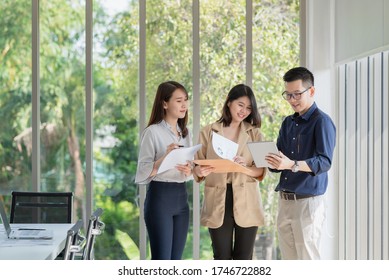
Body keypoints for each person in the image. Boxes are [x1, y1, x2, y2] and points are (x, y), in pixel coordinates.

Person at [265, 66, 336, 260]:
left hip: (308, 202)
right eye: (288, 95)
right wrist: (269, 159)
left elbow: (324, 162)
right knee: (290, 262)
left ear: (311, 91)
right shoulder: (288, 122)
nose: (292, 100)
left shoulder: (322, 122)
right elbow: (280, 161)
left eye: (297, 94)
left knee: (307, 261)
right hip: (285, 201)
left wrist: (291, 164)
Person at [193, 84, 266, 260]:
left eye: (249, 108)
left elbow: (262, 170)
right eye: (240, 105)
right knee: (221, 257)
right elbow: (196, 166)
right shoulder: (208, 131)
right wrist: (200, 170)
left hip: (247, 199)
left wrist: (244, 168)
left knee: (244, 258)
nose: (244, 111)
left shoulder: (256, 134)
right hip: (218, 198)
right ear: (229, 102)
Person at [135, 81, 193, 260]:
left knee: (176, 262)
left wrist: (190, 170)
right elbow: (142, 173)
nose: (184, 105)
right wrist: (164, 157)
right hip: (160, 200)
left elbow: (188, 172)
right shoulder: (152, 132)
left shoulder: (185, 133)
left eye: (185, 100)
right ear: (165, 103)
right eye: (178, 100)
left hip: (181, 199)